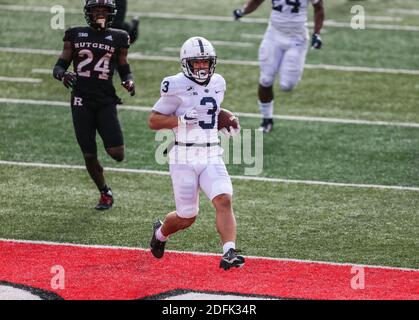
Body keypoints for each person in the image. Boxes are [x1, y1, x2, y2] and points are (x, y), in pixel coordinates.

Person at [148, 36, 245, 270]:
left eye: (205, 62)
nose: (202, 67)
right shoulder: (174, 84)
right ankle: (160, 234)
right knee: (187, 217)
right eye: (197, 63)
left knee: (224, 199)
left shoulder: (219, 82)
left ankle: (229, 251)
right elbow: (153, 121)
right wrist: (180, 120)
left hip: (212, 152)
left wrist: (225, 120)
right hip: (183, 156)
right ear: (186, 63)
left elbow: (212, 108)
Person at [52, 0, 136, 210]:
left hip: (106, 99)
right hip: (81, 100)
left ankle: (104, 186)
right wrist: (63, 75)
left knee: (117, 154)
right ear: (88, 13)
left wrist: (128, 81)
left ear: (111, 14)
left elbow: (124, 66)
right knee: (89, 154)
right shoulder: (75, 34)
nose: (100, 14)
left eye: (105, 11)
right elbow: (59, 66)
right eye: (96, 11)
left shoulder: (119, 37)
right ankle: (104, 192)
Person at [233, 0, 325, 133]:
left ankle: (286, 67)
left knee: (287, 85)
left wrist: (317, 34)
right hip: (274, 35)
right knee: (266, 79)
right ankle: (266, 119)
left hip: (297, 39)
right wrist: (243, 11)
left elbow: (319, 8)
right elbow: (257, 1)